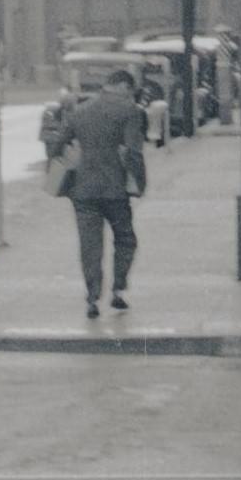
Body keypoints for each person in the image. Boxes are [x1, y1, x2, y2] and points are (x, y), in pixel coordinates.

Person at [52, 68, 146, 319]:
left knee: (90, 245)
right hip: (115, 189)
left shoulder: (80, 111)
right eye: (131, 92)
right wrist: (140, 183)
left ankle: (92, 298)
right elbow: (134, 153)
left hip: (83, 189)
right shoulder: (129, 112)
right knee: (125, 239)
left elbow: (58, 144)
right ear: (125, 87)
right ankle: (118, 290)